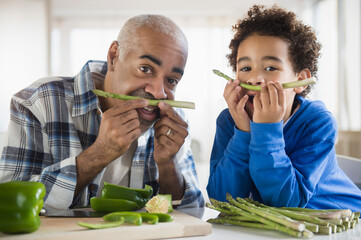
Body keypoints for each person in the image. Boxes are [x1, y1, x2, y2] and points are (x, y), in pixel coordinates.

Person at [0, 14, 204, 210]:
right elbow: (8, 202)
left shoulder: (172, 120)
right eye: (145, 69)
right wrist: (99, 154)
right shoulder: (37, 102)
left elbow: (192, 212)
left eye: (171, 80)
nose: (159, 92)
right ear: (114, 56)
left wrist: (168, 166)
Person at [207, 5, 361, 212]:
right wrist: (243, 133)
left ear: (301, 80)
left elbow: (288, 202)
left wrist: (266, 130)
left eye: (270, 68)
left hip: (345, 223)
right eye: (245, 68)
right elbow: (222, 201)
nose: (254, 78)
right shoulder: (229, 121)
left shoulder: (318, 122)